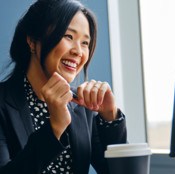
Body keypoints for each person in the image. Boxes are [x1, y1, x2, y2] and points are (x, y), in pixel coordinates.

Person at [0, 0, 127, 173]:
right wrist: (55, 127)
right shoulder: (3, 102)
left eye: (85, 43)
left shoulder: (82, 106)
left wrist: (109, 118)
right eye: (68, 36)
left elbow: (119, 171)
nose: (78, 52)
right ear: (32, 40)